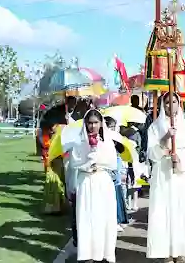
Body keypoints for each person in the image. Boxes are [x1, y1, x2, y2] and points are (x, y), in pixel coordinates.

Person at [146, 92, 185, 263]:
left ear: (179, 103)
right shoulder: (155, 126)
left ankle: (181, 250)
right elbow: (151, 153)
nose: (171, 105)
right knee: (164, 211)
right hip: (162, 173)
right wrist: (166, 138)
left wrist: (180, 160)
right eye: (167, 102)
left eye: (174, 102)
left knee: (182, 211)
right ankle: (166, 251)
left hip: (182, 174)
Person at [61, 109, 118, 263]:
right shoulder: (79, 142)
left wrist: (97, 158)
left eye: (95, 122)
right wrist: (87, 164)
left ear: (101, 124)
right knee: (86, 218)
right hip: (85, 182)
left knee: (102, 217)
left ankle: (103, 253)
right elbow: (74, 163)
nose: (92, 126)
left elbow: (113, 163)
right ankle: (87, 255)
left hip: (102, 182)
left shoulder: (107, 141)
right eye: (90, 123)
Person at [105, 116, 130, 232]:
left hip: (117, 170)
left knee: (118, 194)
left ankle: (119, 219)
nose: (112, 129)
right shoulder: (102, 139)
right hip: (109, 172)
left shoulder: (117, 138)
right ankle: (112, 221)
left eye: (114, 127)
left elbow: (122, 150)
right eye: (110, 127)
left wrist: (116, 142)